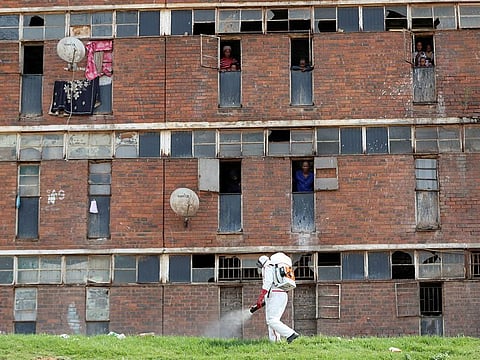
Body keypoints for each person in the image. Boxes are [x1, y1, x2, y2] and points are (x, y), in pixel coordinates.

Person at [255, 255, 299, 343]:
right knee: (273, 320)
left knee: (271, 320)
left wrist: (260, 297)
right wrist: (263, 300)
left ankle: (290, 334)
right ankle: (275, 341)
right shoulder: (275, 267)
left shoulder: (268, 266)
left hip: (275, 294)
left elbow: (268, 282)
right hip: (280, 294)